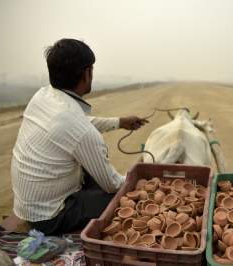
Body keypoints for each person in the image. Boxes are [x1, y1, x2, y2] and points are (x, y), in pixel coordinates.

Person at [11, 38, 147, 235]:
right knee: (126, 199)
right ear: (87, 73)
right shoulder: (80, 130)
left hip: (30, 205)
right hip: (49, 216)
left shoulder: (42, 96)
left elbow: (75, 125)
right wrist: (140, 182)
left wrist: (119, 122)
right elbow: (112, 184)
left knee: (94, 174)